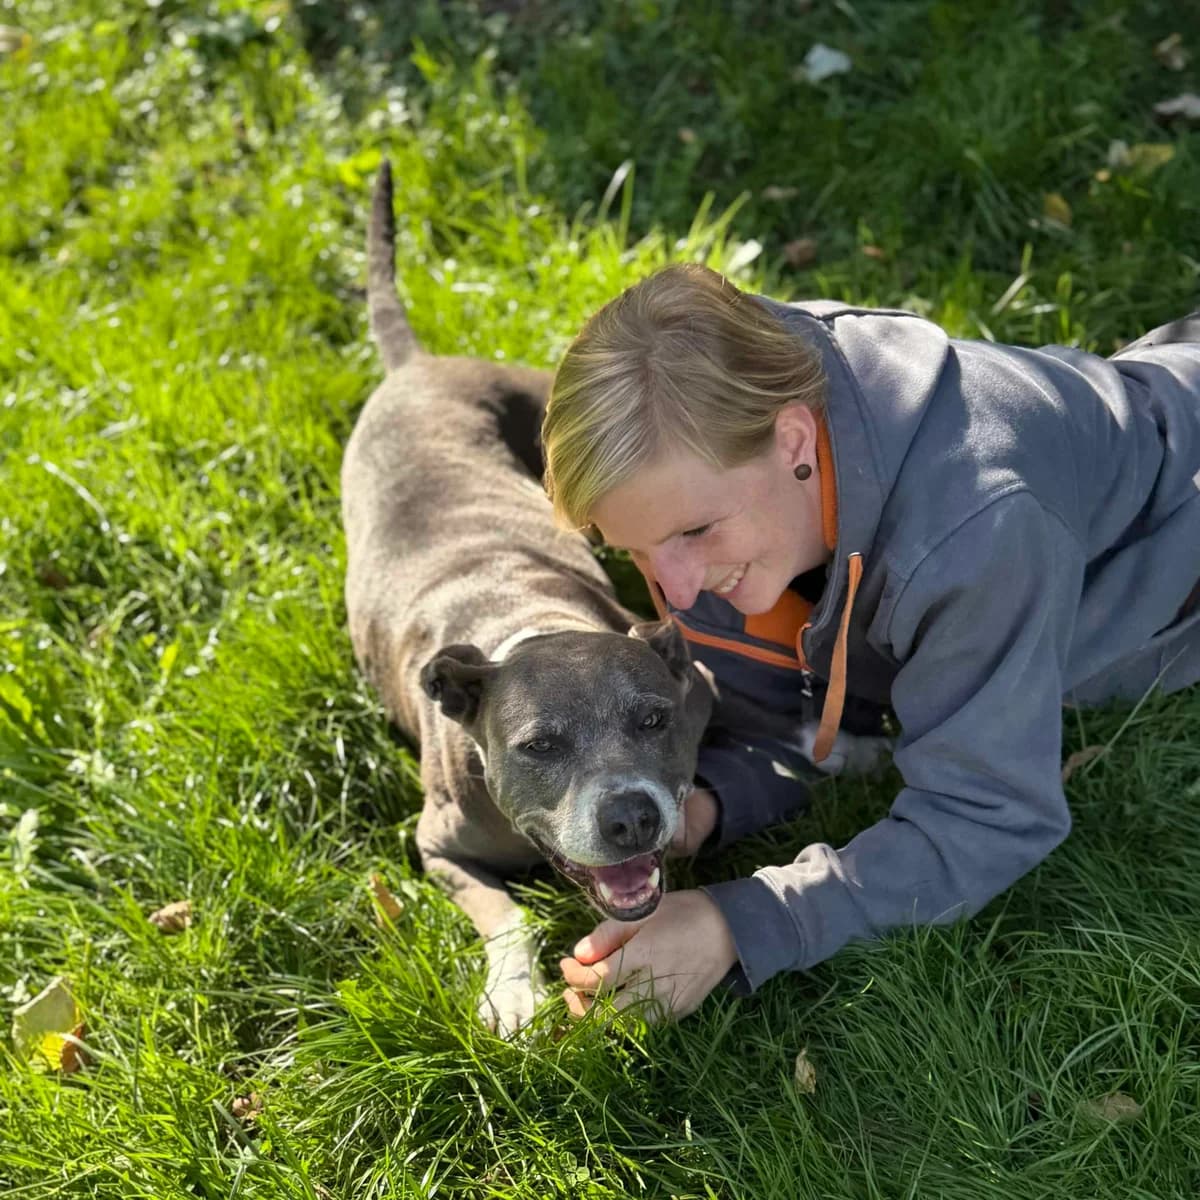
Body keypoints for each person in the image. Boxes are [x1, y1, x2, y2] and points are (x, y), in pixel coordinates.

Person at [540, 263, 1200, 1022]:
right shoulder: (724, 444)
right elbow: (786, 709)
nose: (678, 591)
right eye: (638, 550)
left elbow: (990, 813)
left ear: (793, 437)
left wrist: (745, 920)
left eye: (694, 533)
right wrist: (710, 805)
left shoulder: (976, 533)